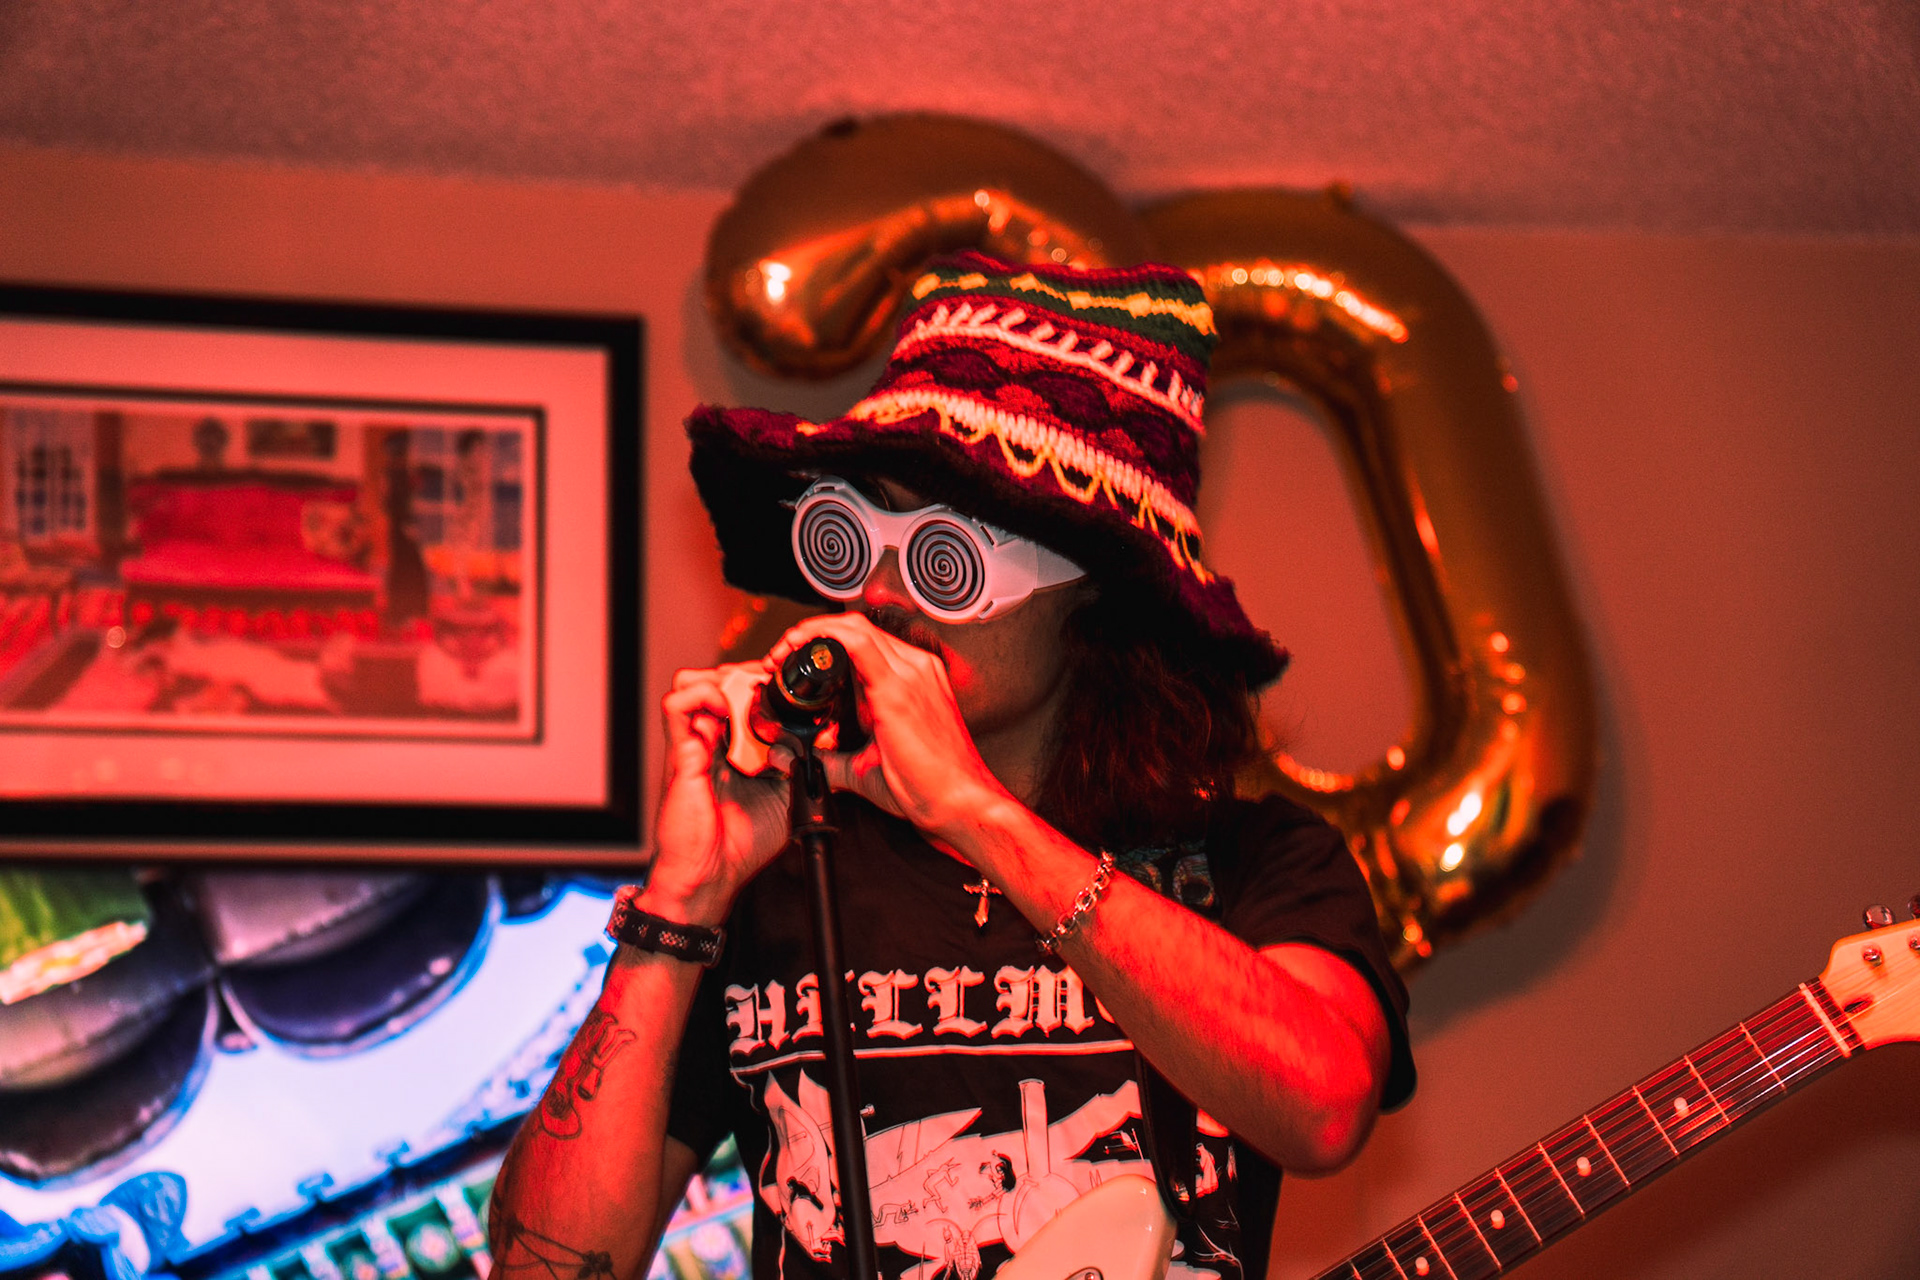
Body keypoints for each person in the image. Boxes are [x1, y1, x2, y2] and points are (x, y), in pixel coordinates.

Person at [488, 253, 1415, 1280]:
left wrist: (979, 816)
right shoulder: (780, 877)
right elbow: (543, 1268)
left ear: (1093, 594)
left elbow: (1325, 1106)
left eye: (947, 553)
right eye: (856, 535)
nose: (884, 592)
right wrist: (679, 906)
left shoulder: (1253, 862)